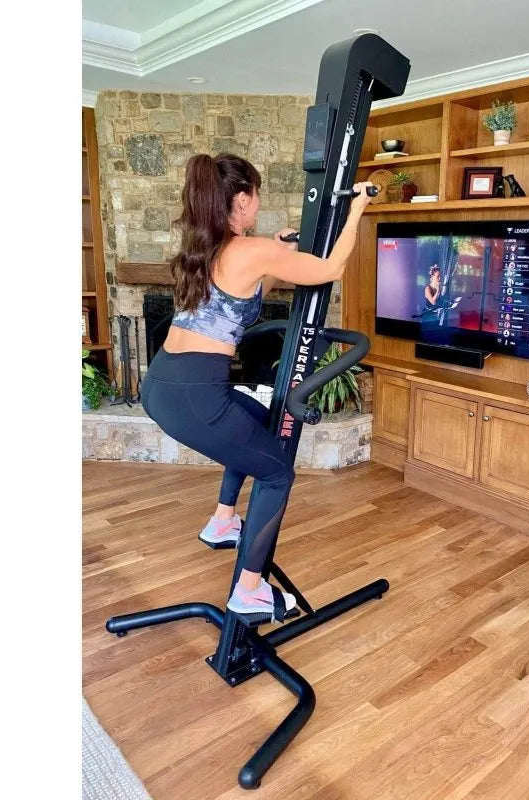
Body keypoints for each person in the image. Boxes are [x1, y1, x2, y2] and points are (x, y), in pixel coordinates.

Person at [141, 152, 373, 619]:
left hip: (163, 384)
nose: (259, 203)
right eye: (257, 195)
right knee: (276, 471)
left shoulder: (206, 247)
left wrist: (274, 252)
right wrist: (357, 212)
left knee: (260, 427)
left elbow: (244, 298)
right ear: (243, 200)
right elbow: (330, 270)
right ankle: (248, 593)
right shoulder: (248, 250)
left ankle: (223, 521)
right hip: (197, 396)